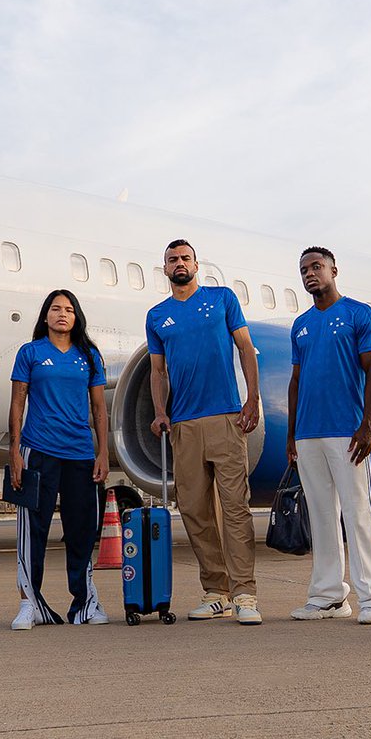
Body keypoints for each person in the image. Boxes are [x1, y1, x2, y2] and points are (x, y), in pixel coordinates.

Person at [147, 239, 263, 625]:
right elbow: (157, 371)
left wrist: (253, 399)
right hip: (183, 424)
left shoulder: (222, 299)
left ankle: (245, 592)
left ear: (197, 264)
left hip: (226, 418)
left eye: (184, 258)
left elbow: (246, 349)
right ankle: (217, 591)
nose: (179, 264)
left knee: (235, 508)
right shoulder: (157, 315)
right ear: (164, 269)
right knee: (195, 511)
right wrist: (161, 412)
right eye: (172, 260)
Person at [286, 247, 371, 624]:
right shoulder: (300, 324)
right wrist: (291, 436)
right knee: (321, 516)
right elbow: (296, 380)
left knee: (359, 512)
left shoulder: (358, 314)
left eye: (316, 267)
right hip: (308, 434)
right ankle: (328, 596)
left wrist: (368, 423)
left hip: (347, 431)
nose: (310, 274)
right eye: (304, 270)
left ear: (334, 270)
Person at [8, 290, 110, 630]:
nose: (62, 314)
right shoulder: (31, 353)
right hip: (38, 451)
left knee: (81, 531)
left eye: (68, 309)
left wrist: (103, 453)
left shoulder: (89, 356)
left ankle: (85, 603)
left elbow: (99, 408)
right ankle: (29, 603)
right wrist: (15, 452)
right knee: (32, 531)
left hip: (80, 454)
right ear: (45, 316)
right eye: (55, 309)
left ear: (77, 316)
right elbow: (18, 404)